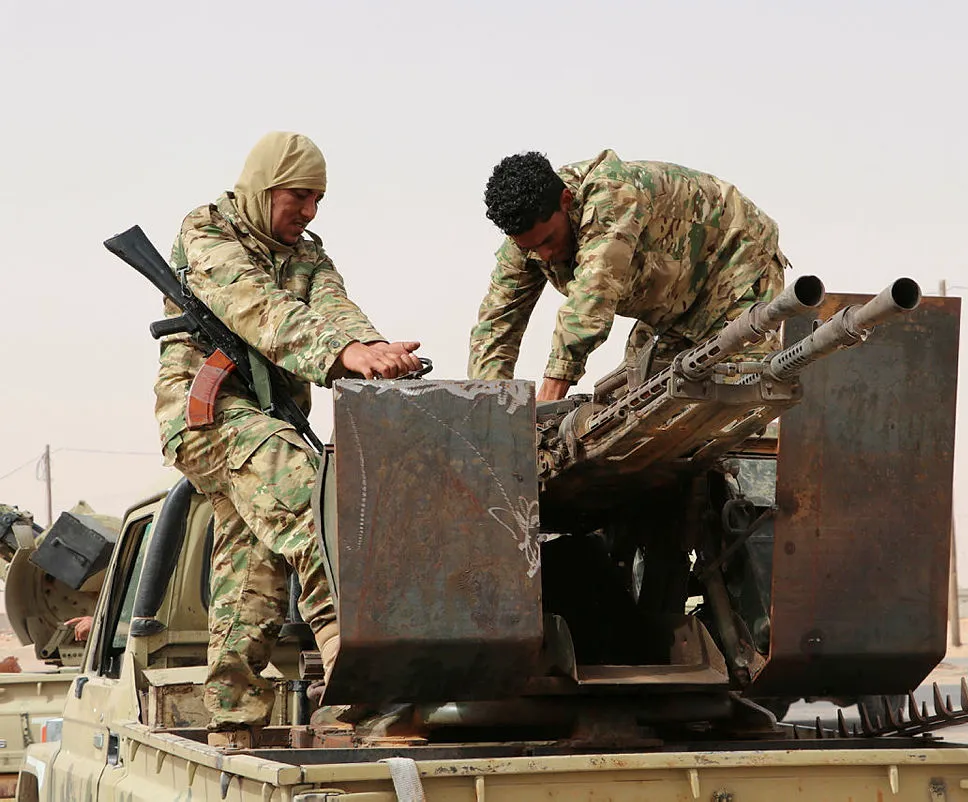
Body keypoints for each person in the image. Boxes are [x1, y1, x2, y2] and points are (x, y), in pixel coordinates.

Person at [154, 131, 422, 748]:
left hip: (264, 416)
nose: (310, 211)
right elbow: (257, 308)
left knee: (253, 566)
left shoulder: (308, 255)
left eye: (318, 199)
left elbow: (335, 309)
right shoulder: (209, 233)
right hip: (205, 415)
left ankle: (231, 718)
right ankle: (361, 687)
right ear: (263, 186)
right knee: (312, 498)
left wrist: (372, 348)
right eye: (299, 196)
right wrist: (341, 353)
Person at [468, 150, 790, 400]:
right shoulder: (527, 239)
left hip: (735, 264)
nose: (545, 255)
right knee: (637, 404)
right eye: (531, 248)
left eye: (549, 240)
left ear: (566, 201)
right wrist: (491, 414)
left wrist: (549, 396)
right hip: (675, 300)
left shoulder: (611, 196)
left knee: (734, 397)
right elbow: (496, 326)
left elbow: (592, 298)